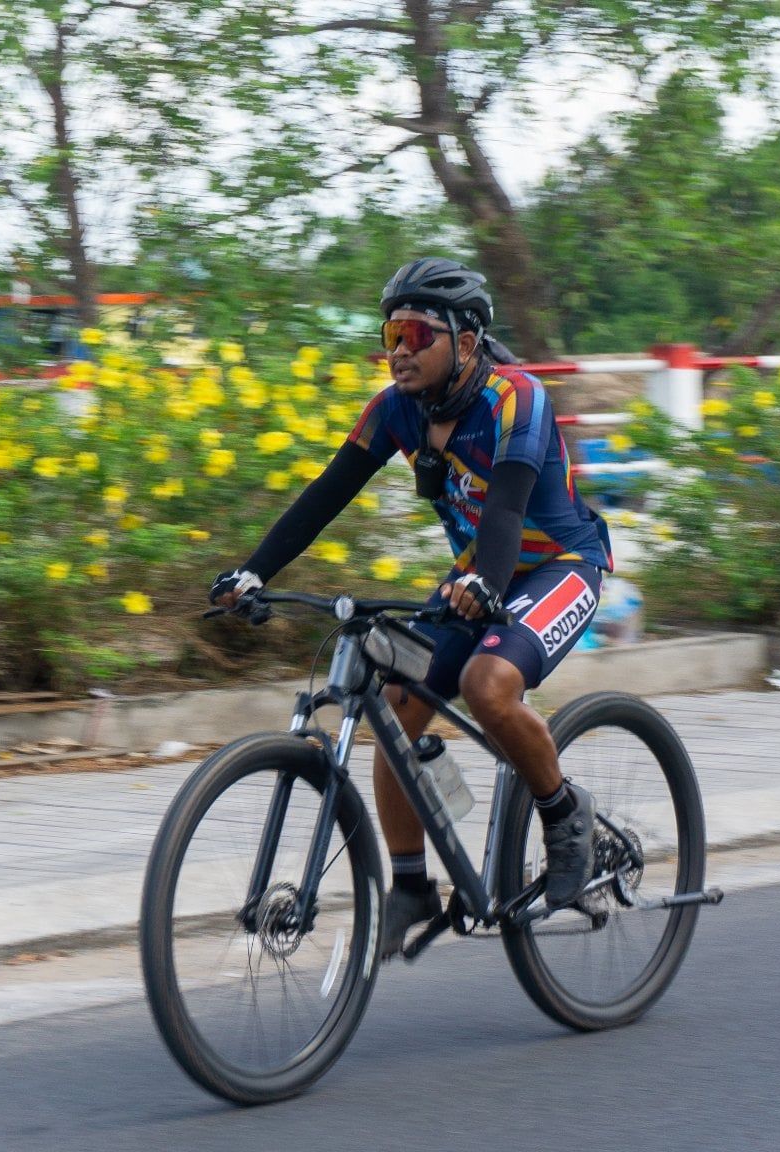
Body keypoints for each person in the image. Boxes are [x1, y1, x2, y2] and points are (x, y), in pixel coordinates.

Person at [210, 257, 614, 959]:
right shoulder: (396, 409)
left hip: (559, 564)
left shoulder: (517, 398)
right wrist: (252, 571)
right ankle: (411, 884)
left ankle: (563, 810)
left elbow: (508, 508)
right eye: (390, 332)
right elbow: (326, 495)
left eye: (416, 333)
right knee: (395, 703)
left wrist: (486, 585)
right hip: (475, 575)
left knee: (488, 686)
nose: (397, 350)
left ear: (465, 341)